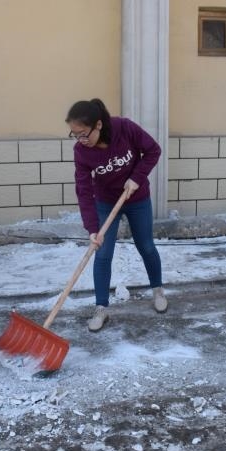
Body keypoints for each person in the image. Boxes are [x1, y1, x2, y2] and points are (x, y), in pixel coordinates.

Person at [67, 98, 167, 331]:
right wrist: (92, 228)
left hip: (137, 198)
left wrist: (136, 178)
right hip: (105, 203)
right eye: (74, 135)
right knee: (102, 254)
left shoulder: (124, 128)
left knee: (146, 246)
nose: (80, 140)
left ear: (98, 125)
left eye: (83, 134)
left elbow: (153, 150)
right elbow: (83, 190)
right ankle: (101, 308)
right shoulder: (82, 152)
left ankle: (158, 290)